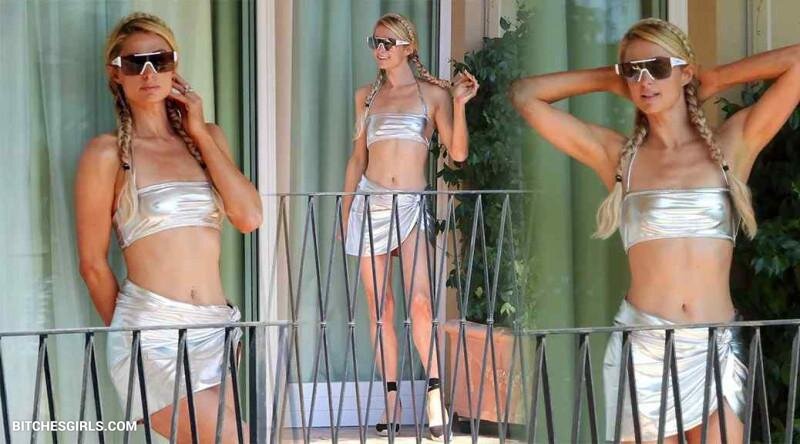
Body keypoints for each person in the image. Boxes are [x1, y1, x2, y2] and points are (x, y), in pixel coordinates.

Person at [510, 17, 800, 442]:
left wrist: (716, 78)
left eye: (658, 67)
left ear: (685, 72)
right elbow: (525, 95)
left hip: (717, 348)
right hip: (644, 352)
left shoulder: (731, 146)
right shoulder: (619, 158)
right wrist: (611, 79)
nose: (645, 80)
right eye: (634, 70)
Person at [75, 12, 262, 441]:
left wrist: (199, 132)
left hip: (217, 329)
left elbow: (249, 217)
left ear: (174, 65)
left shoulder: (207, 138)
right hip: (152, 335)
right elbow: (93, 266)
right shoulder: (107, 154)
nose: (148, 73)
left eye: (159, 60)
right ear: (116, 74)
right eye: (134, 63)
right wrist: (135, 335)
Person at [342, 12, 478, 440]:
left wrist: (459, 104)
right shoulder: (366, 97)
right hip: (370, 203)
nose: (380, 50)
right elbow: (357, 159)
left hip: (412, 206)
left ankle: (435, 397)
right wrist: (345, 211)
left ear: (409, 47)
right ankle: (391, 401)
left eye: (388, 42)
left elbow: (458, 154)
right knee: (379, 308)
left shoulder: (432, 95)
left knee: (420, 302)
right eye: (376, 42)